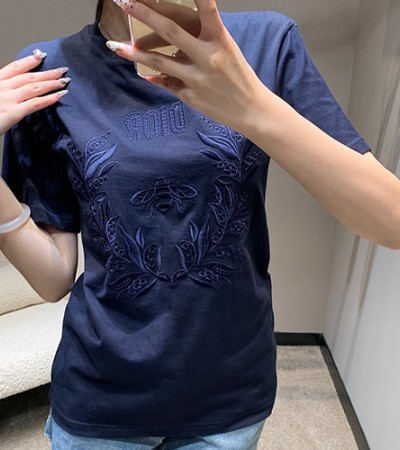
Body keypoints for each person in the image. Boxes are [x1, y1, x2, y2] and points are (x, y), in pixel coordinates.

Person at [1, 0, 400, 448]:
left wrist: (254, 107)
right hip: (100, 395)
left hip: (228, 395)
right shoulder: (47, 73)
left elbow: (390, 221)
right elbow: (53, 278)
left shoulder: (265, 44)